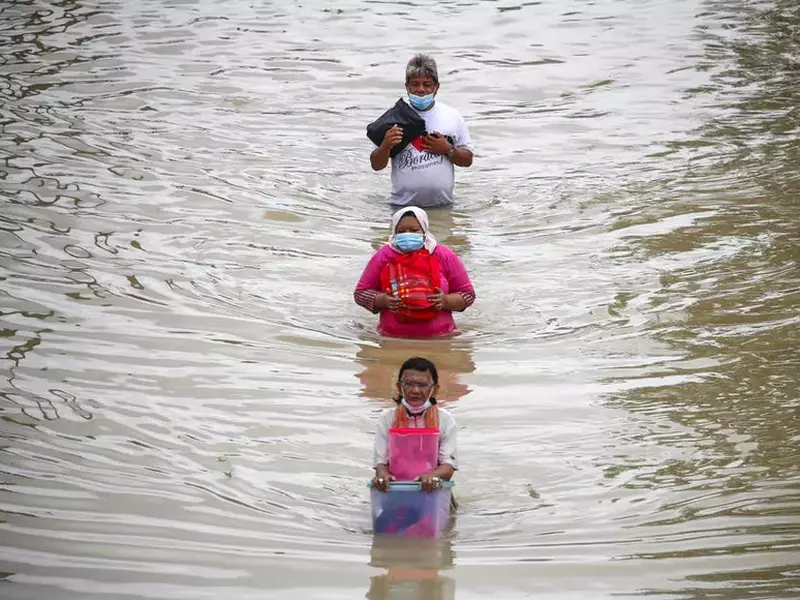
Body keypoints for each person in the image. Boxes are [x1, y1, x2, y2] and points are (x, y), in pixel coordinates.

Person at [354, 206, 475, 338]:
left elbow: (467, 294)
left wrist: (446, 301)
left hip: (441, 339)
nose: (407, 234)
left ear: (424, 231)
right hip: (392, 339)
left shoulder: (443, 255)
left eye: (414, 230)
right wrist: (382, 300)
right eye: (401, 231)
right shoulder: (384, 255)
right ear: (394, 233)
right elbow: (361, 293)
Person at [369, 54, 474, 208]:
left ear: (437, 86)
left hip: (443, 208)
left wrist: (448, 149)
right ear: (407, 86)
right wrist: (386, 145)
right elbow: (376, 165)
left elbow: (468, 160)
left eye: (427, 84)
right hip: (402, 208)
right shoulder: (393, 119)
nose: (421, 90)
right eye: (415, 84)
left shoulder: (452, 117)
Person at [371, 357, 458, 494]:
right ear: (400, 388)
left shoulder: (445, 419)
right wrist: (383, 477)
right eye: (409, 384)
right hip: (396, 489)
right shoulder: (387, 418)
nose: (415, 390)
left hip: (432, 492)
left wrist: (432, 477)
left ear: (434, 389)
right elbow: (380, 463)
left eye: (422, 385)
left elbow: (448, 465)